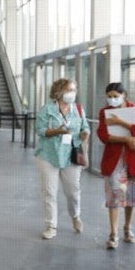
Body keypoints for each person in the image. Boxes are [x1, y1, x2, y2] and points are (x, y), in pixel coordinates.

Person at [34, 78, 91, 239]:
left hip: (71, 155)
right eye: (69, 90)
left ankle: (75, 215)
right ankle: (51, 225)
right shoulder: (47, 109)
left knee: (72, 191)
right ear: (59, 92)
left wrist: (85, 133)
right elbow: (40, 130)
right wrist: (57, 131)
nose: (72, 93)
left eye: (74, 90)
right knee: (49, 192)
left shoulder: (78, 109)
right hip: (48, 154)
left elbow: (85, 126)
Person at [97, 82, 135, 250]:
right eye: (109, 96)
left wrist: (121, 122)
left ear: (124, 95)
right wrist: (126, 139)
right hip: (114, 160)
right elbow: (103, 135)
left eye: (115, 96)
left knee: (131, 197)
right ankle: (113, 233)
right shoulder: (105, 112)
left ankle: (127, 228)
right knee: (115, 196)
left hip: (134, 160)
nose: (112, 99)